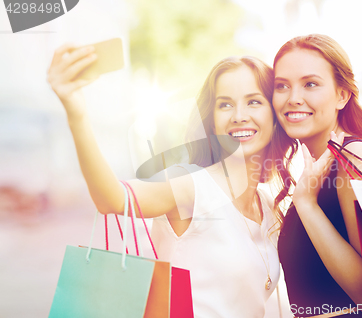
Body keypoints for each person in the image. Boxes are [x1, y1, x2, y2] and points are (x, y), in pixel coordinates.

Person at [47, 44, 295, 317]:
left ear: (275, 117)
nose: (239, 116)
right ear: (211, 122)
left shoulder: (269, 207)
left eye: (254, 101)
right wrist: (77, 114)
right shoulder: (190, 186)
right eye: (225, 104)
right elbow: (113, 199)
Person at [271, 34, 362, 317]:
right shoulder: (318, 168)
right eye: (282, 86)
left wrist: (307, 204)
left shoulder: (354, 155)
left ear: (342, 95)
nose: (293, 98)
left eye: (310, 84)